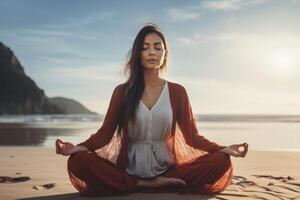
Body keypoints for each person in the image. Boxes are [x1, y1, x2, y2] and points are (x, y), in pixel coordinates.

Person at [56, 23, 248, 197]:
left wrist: (224, 148)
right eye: (145, 47)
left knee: (221, 161)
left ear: (165, 54)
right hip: (127, 172)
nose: (152, 52)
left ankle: (145, 184)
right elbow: (104, 134)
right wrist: (78, 147)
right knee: (77, 161)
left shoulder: (177, 92)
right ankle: (143, 184)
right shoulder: (122, 92)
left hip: (169, 171)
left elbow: (192, 136)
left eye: (158, 47)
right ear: (137, 53)